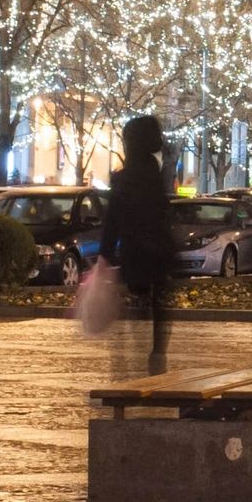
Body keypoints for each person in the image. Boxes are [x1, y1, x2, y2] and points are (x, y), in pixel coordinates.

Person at [100, 114, 179, 374]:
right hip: (159, 250)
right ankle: (157, 357)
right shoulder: (157, 173)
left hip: (136, 251)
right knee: (158, 306)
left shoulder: (126, 177)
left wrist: (105, 254)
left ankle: (133, 361)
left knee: (134, 304)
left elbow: (114, 218)